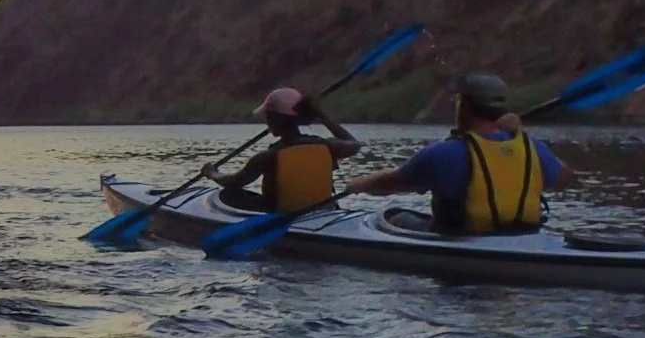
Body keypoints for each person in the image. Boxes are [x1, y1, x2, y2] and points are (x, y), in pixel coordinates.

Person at [350, 71, 573, 233]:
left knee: (395, 217)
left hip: (461, 238)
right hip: (522, 237)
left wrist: (359, 184)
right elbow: (565, 177)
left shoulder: (443, 153)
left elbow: (390, 184)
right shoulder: (531, 146)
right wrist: (520, 135)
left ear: (464, 105)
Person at [205, 87, 360, 213]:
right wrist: (322, 116)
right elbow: (354, 144)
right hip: (321, 212)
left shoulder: (268, 156)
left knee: (230, 195)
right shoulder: (329, 146)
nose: (267, 121)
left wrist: (212, 173)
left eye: (268, 116)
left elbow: (234, 182)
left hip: (283, 216)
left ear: (275, 118)